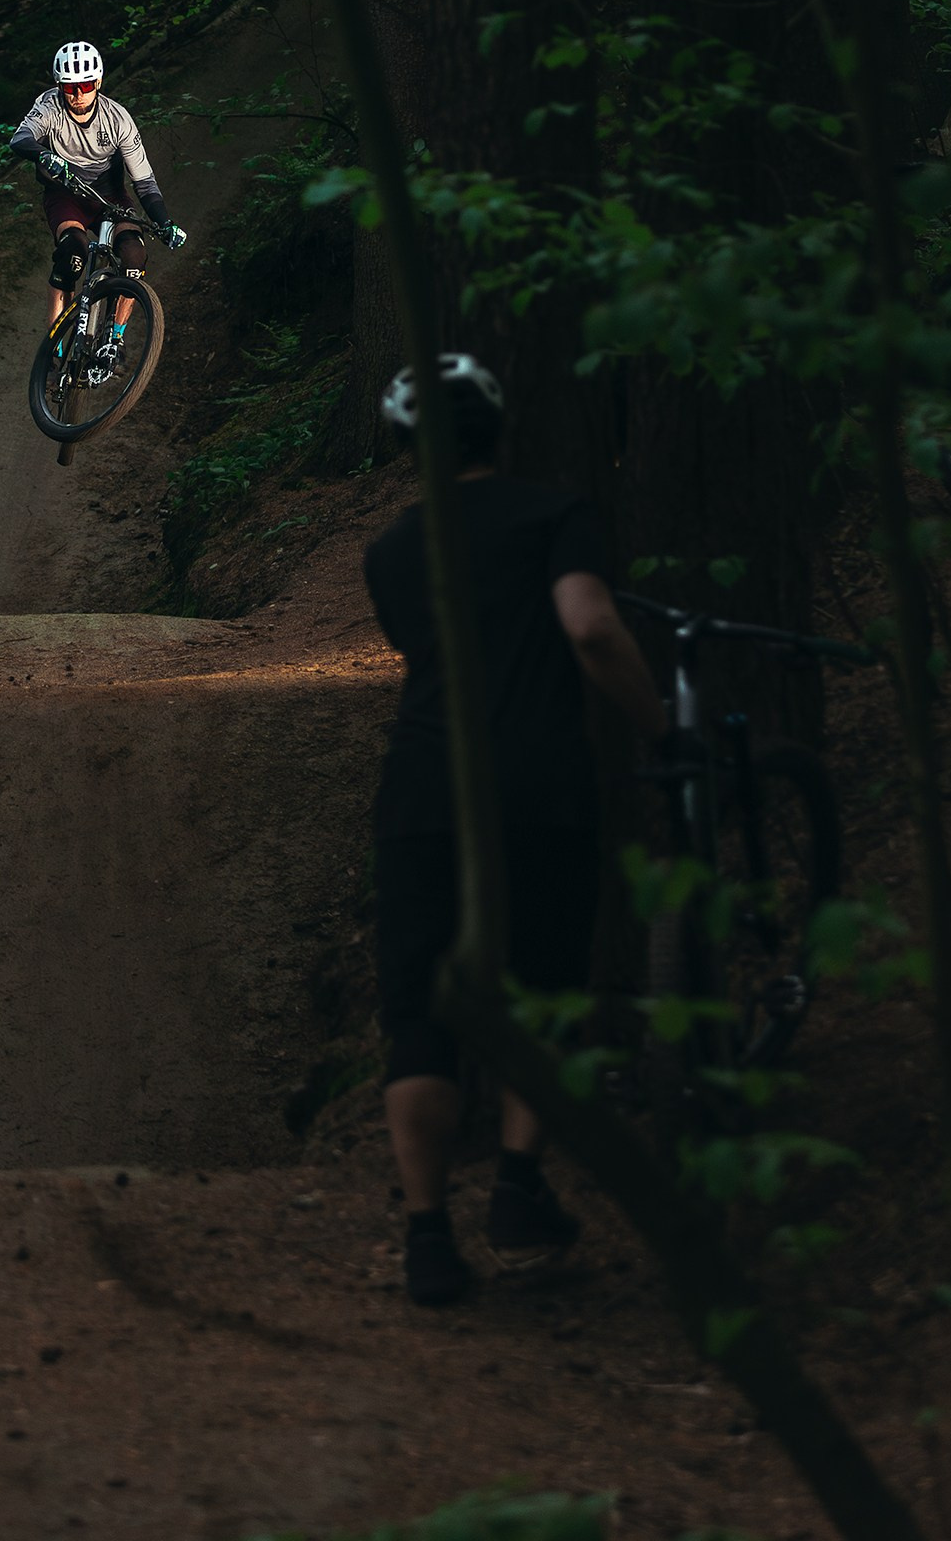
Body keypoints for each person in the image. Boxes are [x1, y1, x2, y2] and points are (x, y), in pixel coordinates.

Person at [362, 356, 668, 1307]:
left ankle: (427, 1237)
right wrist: (659, 726)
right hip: (537, 782)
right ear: (498, 428)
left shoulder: (390, 551)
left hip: (423, 788)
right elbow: (590, 627)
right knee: (546, 982)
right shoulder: (553, 515)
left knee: (418, 1009)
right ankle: (518, 1189)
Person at [9, 41, 188, 371]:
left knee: (134, 255)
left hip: (109, 196)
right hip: (65, 195)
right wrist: (44, 154)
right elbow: (20, 139)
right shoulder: (48, 106)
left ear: (99, 82)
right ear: (59, 86)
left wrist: (165, 222)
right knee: (72, 255)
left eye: (86, 85)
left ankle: (114, 340)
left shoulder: (118, 118)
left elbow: (144, 181)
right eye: (69, 87)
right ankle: (54, 351)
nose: (78, 94)